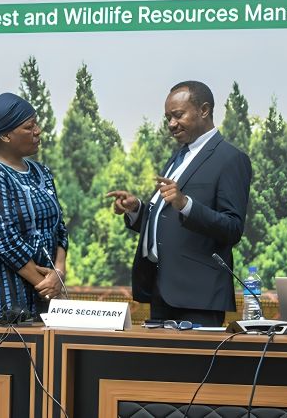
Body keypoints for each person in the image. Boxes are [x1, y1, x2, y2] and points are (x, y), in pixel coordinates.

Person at [107, 81, 252, 327]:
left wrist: (186, 204)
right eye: (168, 118)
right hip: (161, 291)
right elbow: (166, 220)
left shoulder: (231, 159)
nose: (171, 124)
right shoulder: (179, 157)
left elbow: (232, 228)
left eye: (178, 115)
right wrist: (137, 209)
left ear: (204, 110)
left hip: (198, 299)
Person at [0, 92, 68, 320]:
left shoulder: (42, 172)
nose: (38, 131)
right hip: (3, 297)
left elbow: (60, 228)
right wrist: (47, 287)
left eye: (36, 124)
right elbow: (4, 241)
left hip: (47, 294)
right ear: (5, 136)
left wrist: (58, 273)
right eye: (29, 127)